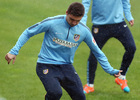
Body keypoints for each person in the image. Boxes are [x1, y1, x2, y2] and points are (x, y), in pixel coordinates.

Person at [5, 2, 122, 100]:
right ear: (67, 12)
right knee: (56, 93)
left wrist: (110, 70)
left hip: (66, 67)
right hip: (46, 64)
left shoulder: (84, 31)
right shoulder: (52, 22)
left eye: (77, 20)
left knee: (80, 97)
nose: (74, 23)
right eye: (72, 19)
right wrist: (14, 51)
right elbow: (28, 32)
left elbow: (97, 51)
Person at [81, 0, 136, 93]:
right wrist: (82, 21)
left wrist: (128, 15)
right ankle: (90, 85)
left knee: (131, 48)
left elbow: (125, 1)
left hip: (119, 23)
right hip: (100, 25)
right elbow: (85, 3)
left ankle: (121, 77)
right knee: (94, 54)